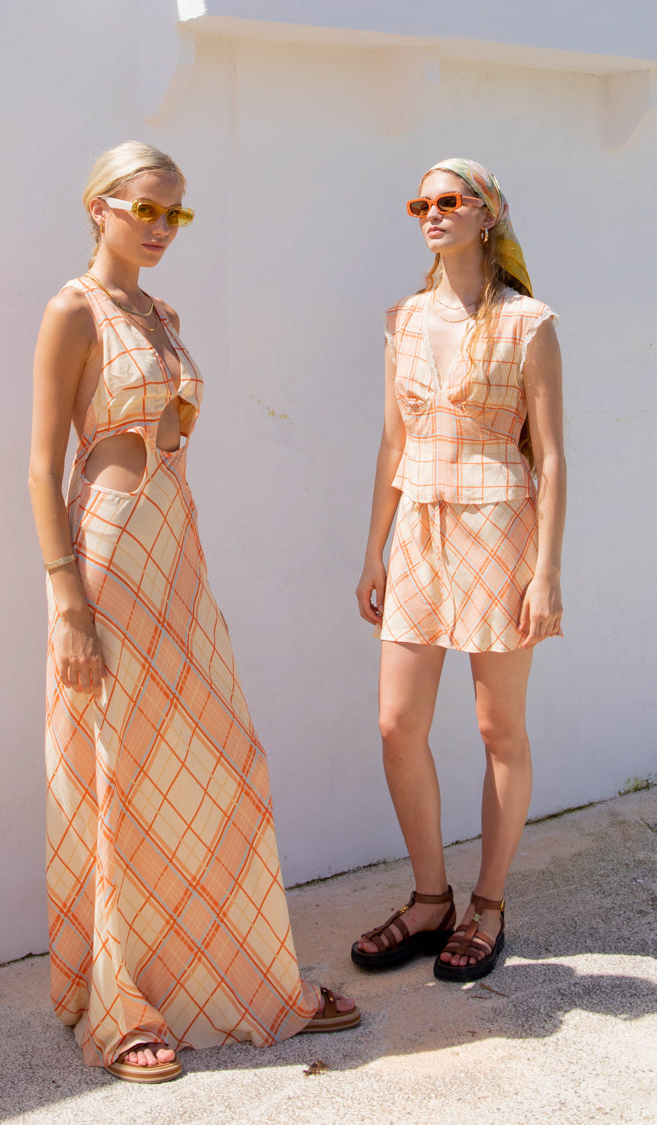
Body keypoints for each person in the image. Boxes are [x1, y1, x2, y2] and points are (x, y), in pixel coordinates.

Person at [29, 141, 359, 1083]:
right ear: (98, 206)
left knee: (225, 759)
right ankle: (123, 1002)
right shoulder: (73, 309)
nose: (161, 226)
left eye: (175, 213)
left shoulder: (162, 315)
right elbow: (40, 467)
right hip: (108, 555)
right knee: (122, 766)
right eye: (145, 207)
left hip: (176, 551)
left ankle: (251, 976)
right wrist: (67, 602)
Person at [352, 158, 566, 983]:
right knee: (396, 723)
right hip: (418, 529)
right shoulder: (402, 319)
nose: (432, 214)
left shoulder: (528, 322)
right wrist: (373, 547)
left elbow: (552, 456)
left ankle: (489, 903)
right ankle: (430, 898)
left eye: (448, 201)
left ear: (488, 213)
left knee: (497, 728)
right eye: (421, 204)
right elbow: (392, 442)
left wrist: (546, 572)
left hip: (501, 527)